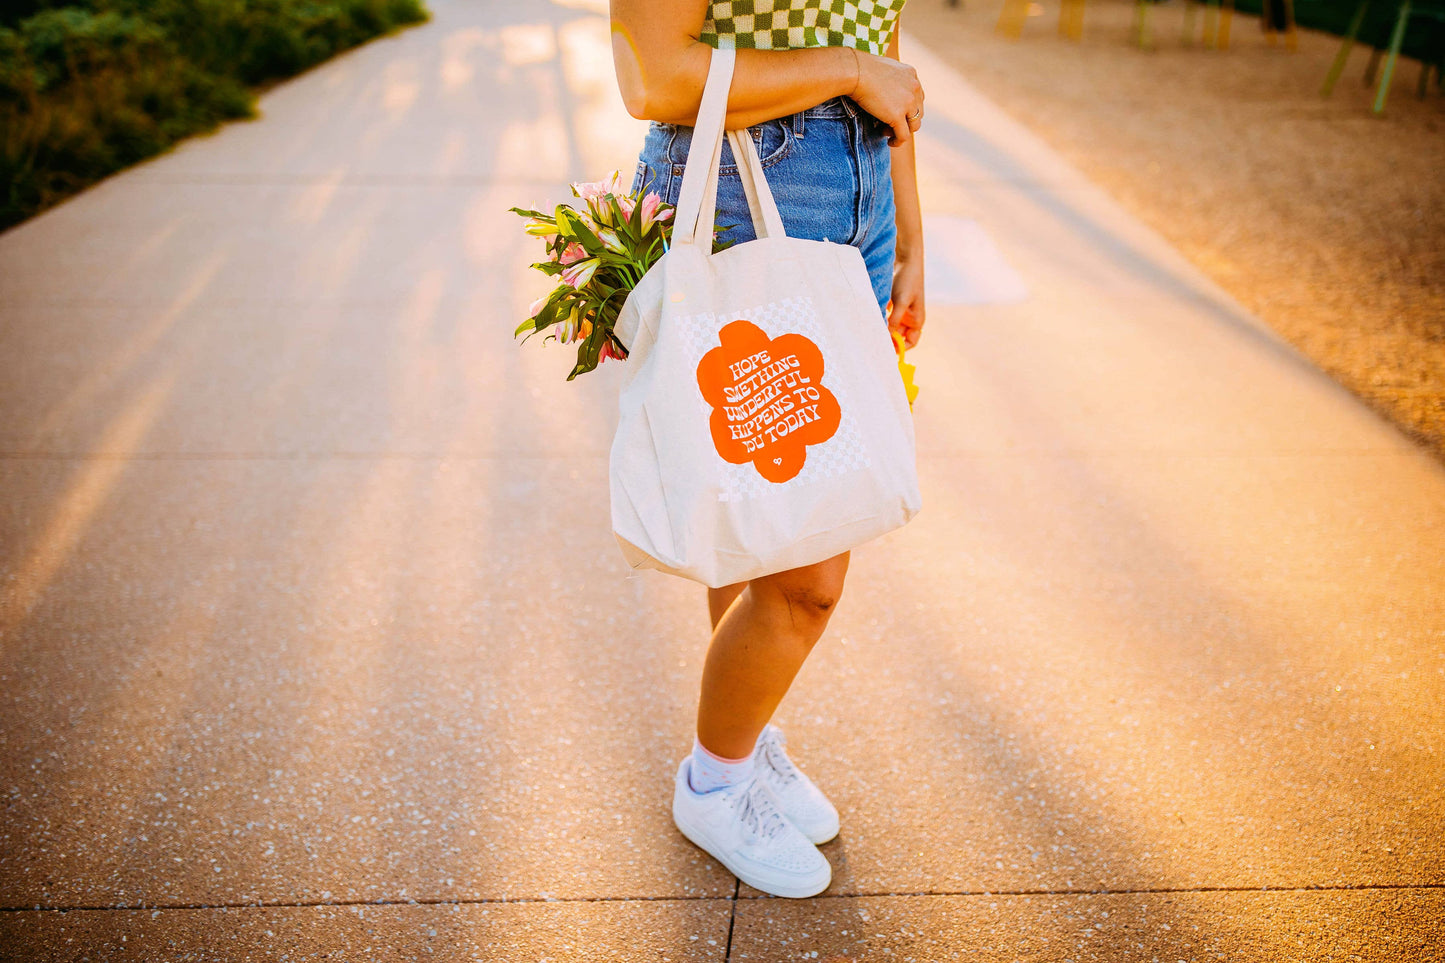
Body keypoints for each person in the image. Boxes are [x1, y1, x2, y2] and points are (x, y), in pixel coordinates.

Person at [607, 0, 927, 899]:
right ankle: (713, 781)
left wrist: (907, 235)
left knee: (762, 516)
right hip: (756, 181)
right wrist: (852, 76)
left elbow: (884, 48)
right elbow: (657, 75)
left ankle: (743, 742)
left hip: (856, 189)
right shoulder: (835, 82)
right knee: (808, 579)